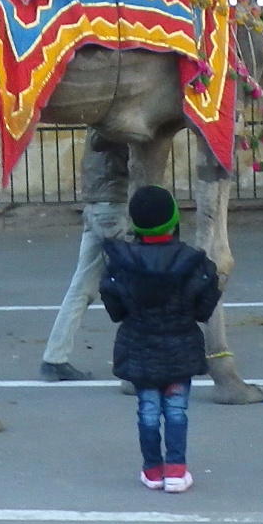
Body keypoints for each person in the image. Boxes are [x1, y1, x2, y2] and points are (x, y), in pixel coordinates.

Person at [98, 184, 221, 492]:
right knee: (177, 410)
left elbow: (115, 310)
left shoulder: (120, 263)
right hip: (180, 347)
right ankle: (176, 470)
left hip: (140, 348)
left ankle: (152, 470)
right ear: (173, 219)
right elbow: (203, 310)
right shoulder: (194, 262)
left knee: (148, 411)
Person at [41, 140, 130, 381]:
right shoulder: (113, 128)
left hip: (97, 207)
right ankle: (139, 357)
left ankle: (54, 358)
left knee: (81, 287)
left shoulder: (97, 127)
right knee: (135, 284)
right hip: (113, 206)